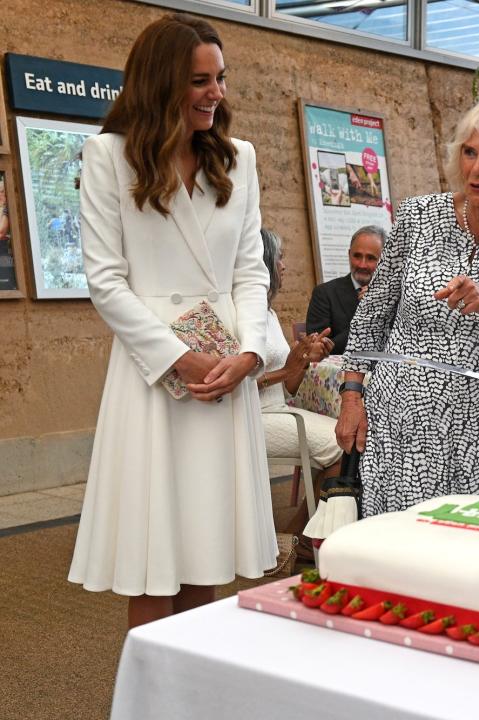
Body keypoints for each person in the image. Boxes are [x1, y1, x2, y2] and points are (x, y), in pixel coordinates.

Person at [68, 14, 277, 628]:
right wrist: (179, 358)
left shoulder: (239, 159)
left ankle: (194, 692)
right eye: (199, 80)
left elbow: (251, 272)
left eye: (220, 78)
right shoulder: (109, 156)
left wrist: (250, 355)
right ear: (160, 84)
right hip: (154, 374)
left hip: (226, 368)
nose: (217, 92)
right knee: (154, 555)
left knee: (207, 547)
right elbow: (106, 282)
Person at [335, 95, 479, 517]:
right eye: (469, 152)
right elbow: (371, 316)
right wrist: (352, 397)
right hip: (403, 419)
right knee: (402, 549)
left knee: (477, 552)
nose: (476, 168)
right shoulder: (418, 215)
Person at [258, 229, 341, 538]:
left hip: (278, 409)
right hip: (254, 419)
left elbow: (288, 387)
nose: (284, 266)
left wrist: (304, 356)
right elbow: (235, 385)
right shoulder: (242, 313)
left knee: (346, 434)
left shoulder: (267, 312)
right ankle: (300, 536)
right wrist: (287, 368)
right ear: (263, 262)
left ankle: (305, 532)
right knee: (341, 445)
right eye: (279, 258)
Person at [305, 225, 385, 354]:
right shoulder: (324, 294)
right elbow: (320, 351)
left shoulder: (395, 297)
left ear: (384, 260)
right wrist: (366, 314)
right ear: (349, 254)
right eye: (357, 256)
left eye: (371, 258)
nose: (362, 264)